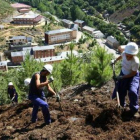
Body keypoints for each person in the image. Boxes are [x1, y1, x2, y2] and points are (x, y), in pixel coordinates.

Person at [111, 42, 139, 117]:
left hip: (132, 76)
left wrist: (122, 77)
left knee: (132, 91)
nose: (128, 58)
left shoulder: (135, 62)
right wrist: (115, 61)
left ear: (134, 55)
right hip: (123, 73)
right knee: (121, 91)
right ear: (125, 52)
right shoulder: (124, 54)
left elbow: (133, 73)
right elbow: (121, 56)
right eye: (127, 56)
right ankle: (122, 106)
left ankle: (134, 109)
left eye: (131, 56)